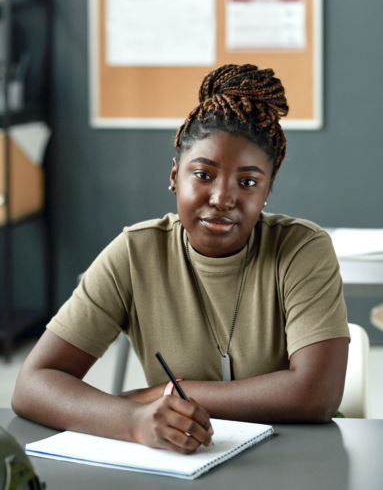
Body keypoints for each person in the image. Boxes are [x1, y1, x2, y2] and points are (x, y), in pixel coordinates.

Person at [12, 64, 350, 455]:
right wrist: (132, 421)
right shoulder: (136, 253)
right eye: (203, 175)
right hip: (181, 461)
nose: (222, 198)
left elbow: (316, 393)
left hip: (298, 460)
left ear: (268, 189)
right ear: (175, 175)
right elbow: (33, 384)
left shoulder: (303, 249)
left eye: (248, 182)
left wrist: (164, 393)